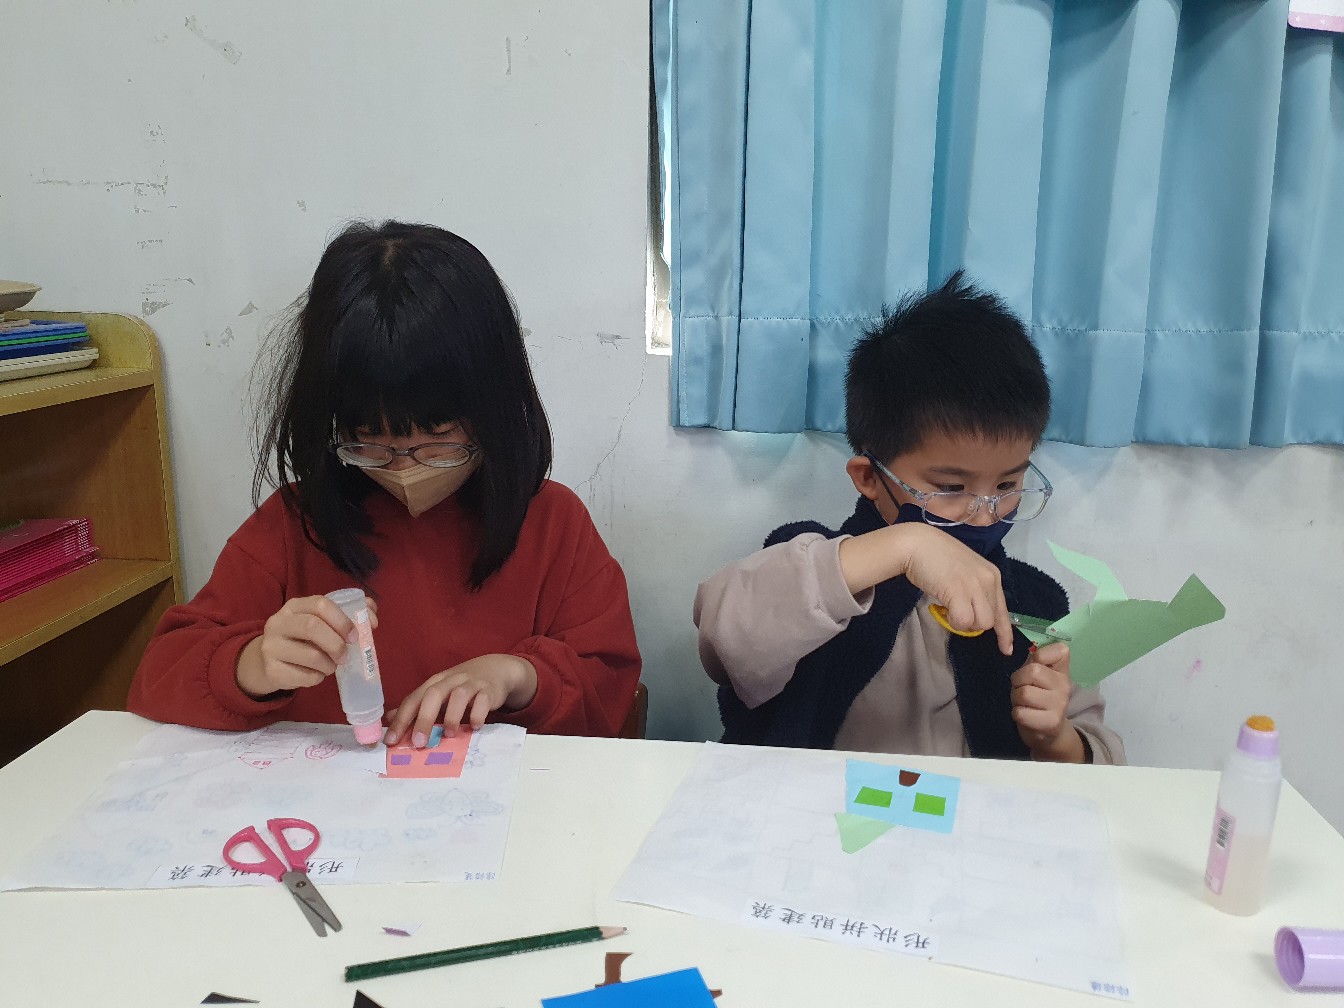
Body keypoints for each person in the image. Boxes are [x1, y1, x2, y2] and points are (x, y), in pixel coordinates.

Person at [129, 221, 641, 744]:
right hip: (327, 790)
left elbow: (609, 687)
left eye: (438, 438)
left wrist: (518, 676)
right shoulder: (292, 526)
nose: (402, 468)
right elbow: (159, 676)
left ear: (495, 411)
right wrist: (251, 665)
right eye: (369, 440)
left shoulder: (553, 525)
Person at [695, 271, 1124, 764]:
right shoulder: (816, 571)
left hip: (975, 811)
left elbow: (1106, 759)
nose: (984, 516)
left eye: (1007, 486)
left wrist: (1058, 740)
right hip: (823, 810)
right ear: (869, 478)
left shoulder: (1037, 605)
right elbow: (725, 641)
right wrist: (906, 545)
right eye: (951, 488)